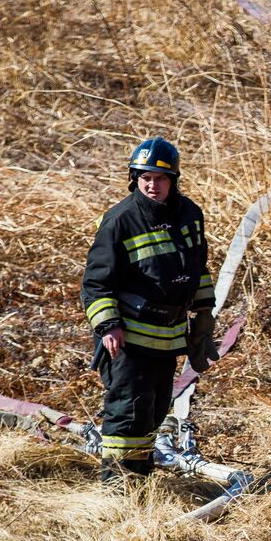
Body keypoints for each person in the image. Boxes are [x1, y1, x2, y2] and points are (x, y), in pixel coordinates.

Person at [81, 136, 218, 488]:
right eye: (144, 178)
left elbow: (198, 268)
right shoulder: (120, 221)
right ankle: (118, 491)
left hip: (168, 336)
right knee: (128, 413)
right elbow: (96, 284)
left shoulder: (190, 214)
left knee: (154, 411)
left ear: (173, 180)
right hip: (130, 339)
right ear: (134, 178)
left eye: (159, 179)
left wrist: (204, 315)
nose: (151, 185)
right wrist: (108, 326)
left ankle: (139, 483)